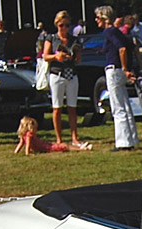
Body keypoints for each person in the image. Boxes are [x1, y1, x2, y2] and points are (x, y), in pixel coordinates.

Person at [94, 5, 139, 151]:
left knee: (118, 107)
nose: (96, 20)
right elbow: (131, 47)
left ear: (104, 18)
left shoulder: (109, 32)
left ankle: (123, 142)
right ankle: (132, 138)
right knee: (125, 105)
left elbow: (122, 48)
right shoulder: (118, 32)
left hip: (114, 70)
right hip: (119, 70)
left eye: (98, 17)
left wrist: (125, 68)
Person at [43, 11, 87, 149]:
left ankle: (74, 137)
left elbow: (79, 58)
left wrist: (76, 56)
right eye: (62, 25)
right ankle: (59, 138)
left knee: (72, 108)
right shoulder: (51, 38)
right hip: (57, 75)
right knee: (57, 108)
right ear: (57, 25)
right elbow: (45, 56)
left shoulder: (74, 39)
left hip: (71, 74)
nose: (64, 28)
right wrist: (56, 56)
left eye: (67, 25)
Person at [14, 116, 91, 153]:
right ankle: (82, 149)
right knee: (64, 146)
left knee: (61, 145)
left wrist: (16, 152)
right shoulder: (29, 135)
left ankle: (81, 147)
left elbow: (21, 144)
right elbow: (28, 145)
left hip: (45, 145)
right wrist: (27, 153)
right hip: (45, 147)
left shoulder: (24, 135)